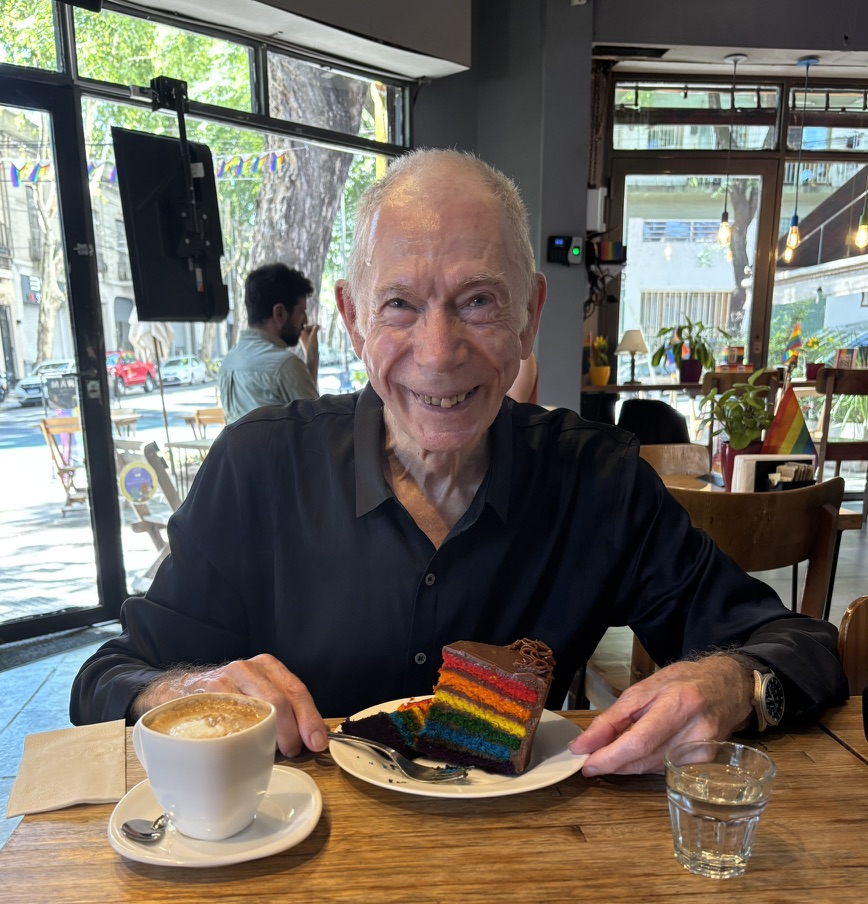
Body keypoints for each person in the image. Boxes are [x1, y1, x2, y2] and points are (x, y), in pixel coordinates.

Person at [71, 150, 847, 777]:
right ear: (350, 318)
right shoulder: (259, 467)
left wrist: (727, 683)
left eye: (478, 301)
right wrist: (189, 689)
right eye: (400, 305)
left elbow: (804, 648)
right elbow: (106, 678)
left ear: (530, 315)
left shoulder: (598, 484)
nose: (439, 354)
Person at [218, 263, 320, 423]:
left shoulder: (228, 363)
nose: (305, 320)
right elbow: (319, 428)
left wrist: (311, 358)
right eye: (302, 312)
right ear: (279, 313)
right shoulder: (286, 366)